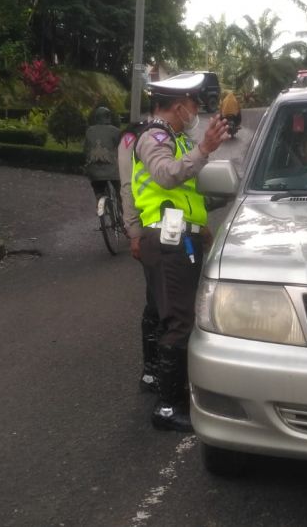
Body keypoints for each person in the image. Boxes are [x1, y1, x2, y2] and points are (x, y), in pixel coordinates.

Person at [131, 73, 230, 431]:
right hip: (167, 241)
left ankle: (161, 384)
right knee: (179, 322)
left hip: (177, 237)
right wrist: (204, 149)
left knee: (166, 314)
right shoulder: (155, 136)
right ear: (179, 105)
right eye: (193, 104)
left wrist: (201, 225)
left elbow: (184, 193)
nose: (196, 111)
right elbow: (165, 176)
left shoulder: (174, 138)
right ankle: (168, 408)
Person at [118, 123, 161, 394]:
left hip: (175, 233)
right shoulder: (132, 137)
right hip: (151, 232)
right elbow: (126, 186)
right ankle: (151, 371)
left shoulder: (173, 133)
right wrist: (133, 231)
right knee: (156, 302)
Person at [83, 107, 122, 200]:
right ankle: (121, 208)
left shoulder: (89, 131)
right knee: (120, 193)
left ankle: (99, 200)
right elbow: (122, 149)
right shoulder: (115, 131)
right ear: (109, 117)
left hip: (93, 172)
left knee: (98, 190)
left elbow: (85, 150)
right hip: (114, 173)